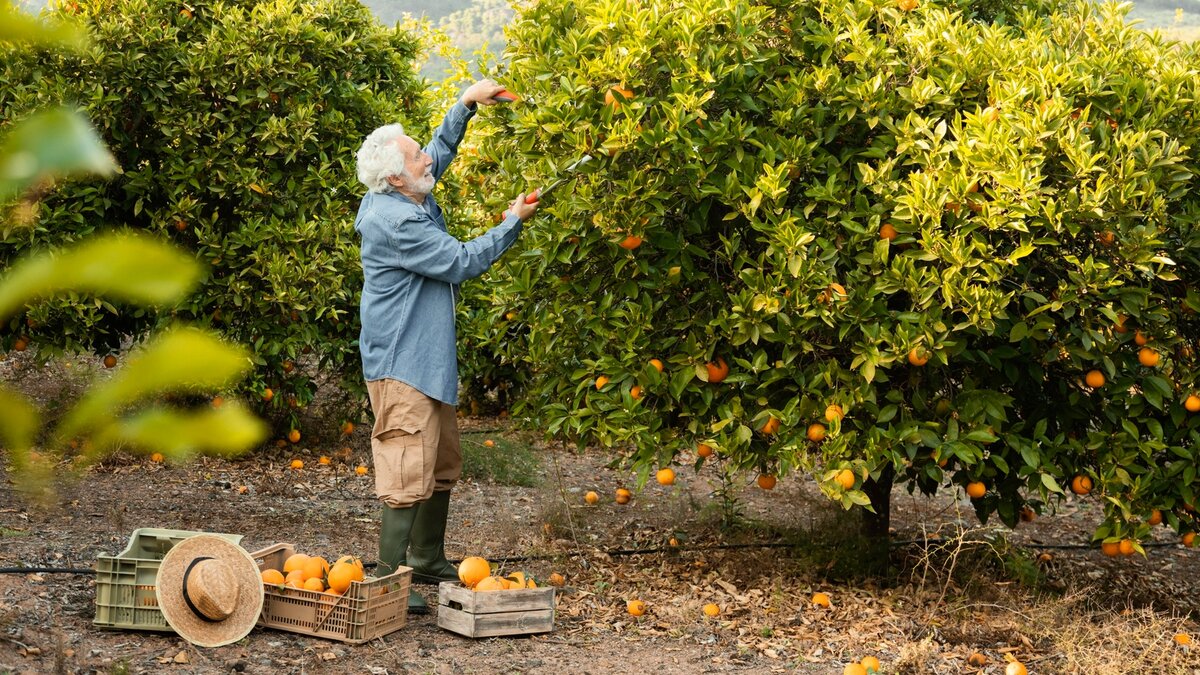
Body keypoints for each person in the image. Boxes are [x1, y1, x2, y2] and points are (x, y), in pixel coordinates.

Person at [353, 79, 538, 614]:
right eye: (416, 158)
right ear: (395, 175)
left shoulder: (397, 189)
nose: (426, 162)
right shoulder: (399, 220)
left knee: (439, 463)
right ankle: (390, 579)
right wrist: (511, 223)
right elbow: (461, 261)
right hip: (401, 362)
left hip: (426, 356)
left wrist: (464, 104)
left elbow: (433, 155)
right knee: (406, 465)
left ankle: (427, 557)